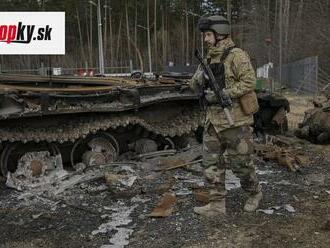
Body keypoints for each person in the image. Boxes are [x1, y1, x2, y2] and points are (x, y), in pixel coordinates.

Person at [190, 15, 262, 217]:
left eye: (207, 35)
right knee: (210, 165)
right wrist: (198, 79)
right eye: (204, 35)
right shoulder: (207, 59)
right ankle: (216, 205)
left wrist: (224, 93)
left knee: (242, 165)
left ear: (220, 34)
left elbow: (249, 82)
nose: (205, 39)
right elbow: (193, 84)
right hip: (212, 121)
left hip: (235, 121)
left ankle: (255, 193)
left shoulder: (237, 55)